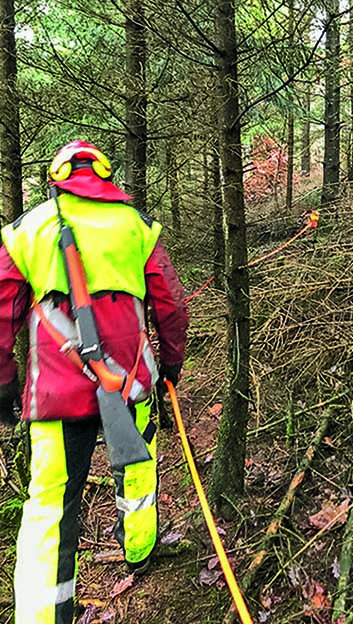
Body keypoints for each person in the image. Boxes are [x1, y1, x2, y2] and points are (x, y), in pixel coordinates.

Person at [0, 139, 189, 624]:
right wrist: (169, 364)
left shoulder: (28, 231)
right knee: (139, 467)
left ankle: (45, 615)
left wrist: (4, 383)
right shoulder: (137, 227)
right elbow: (170, 305)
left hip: (56, 396)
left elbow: (1, 314)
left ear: (57, 176)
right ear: (105, 174)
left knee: (50, 509)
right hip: (132, 384)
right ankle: (140, 547)